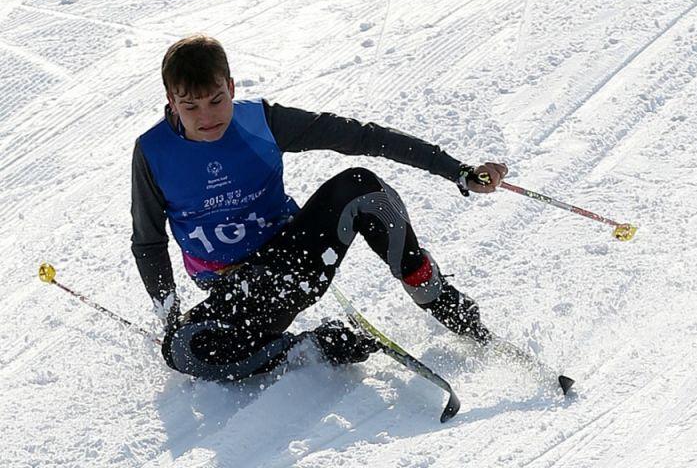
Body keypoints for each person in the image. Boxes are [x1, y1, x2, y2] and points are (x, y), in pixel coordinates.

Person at [131, 34, 509, 381]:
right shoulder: (153, 152)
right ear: (172, 102)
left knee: (362, 187)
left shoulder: (261, 122)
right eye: (190, 106)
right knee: (183, 349)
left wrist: (458, 171)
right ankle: (310, 348)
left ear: (231, 87)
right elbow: (149, 242)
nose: (207, 117)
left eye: (216, 100)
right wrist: (169, 319)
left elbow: (360, 136)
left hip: (294, 261)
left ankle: (438, 297)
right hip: (237, 291)